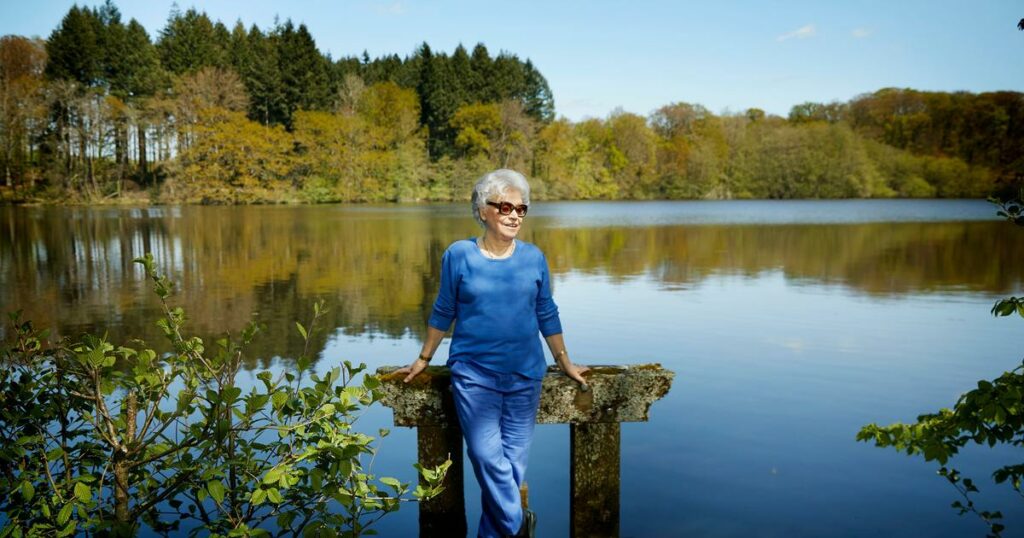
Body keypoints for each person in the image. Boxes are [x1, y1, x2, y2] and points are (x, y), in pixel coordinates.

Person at [397, 169, 589, 538]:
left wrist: (564, 361)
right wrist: (424, 358)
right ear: (483, 210)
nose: (515, 215)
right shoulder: (459, 255)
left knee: (512, 468)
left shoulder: (534, 258)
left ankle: (499, 532)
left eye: (522, 208)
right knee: (487, 458)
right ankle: (518, 522)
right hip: (474, 375)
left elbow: (546, 311)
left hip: (525, 375)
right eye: (505, 207)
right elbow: (444, 309)